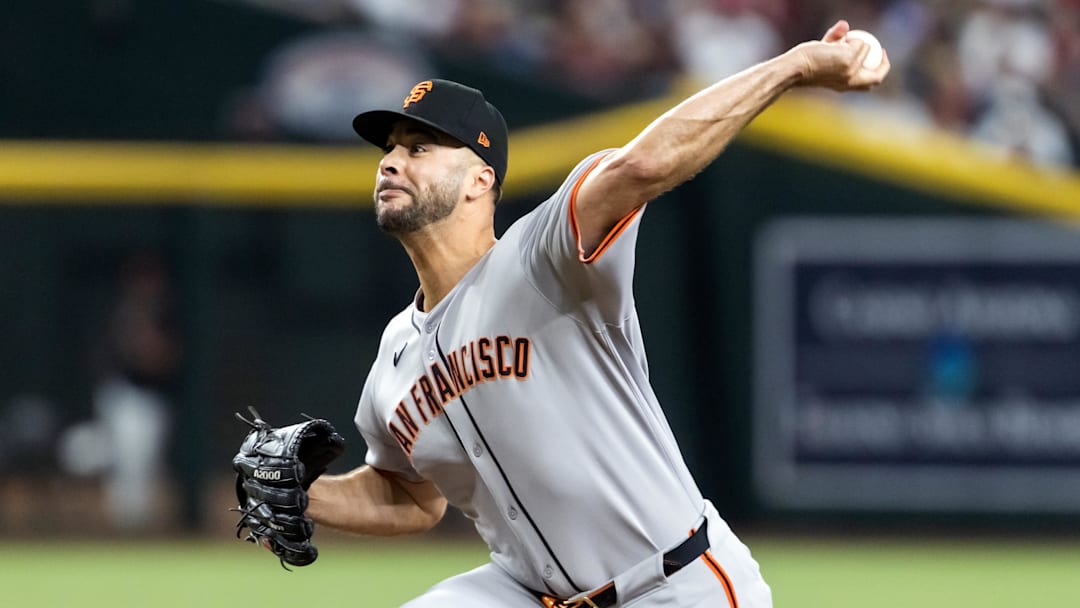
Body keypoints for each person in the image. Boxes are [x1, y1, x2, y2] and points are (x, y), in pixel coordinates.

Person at [307, 20, 889, 608]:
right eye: (389, 150)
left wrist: (795, 66)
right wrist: (302, 495)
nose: (391, 162)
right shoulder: (395, 354)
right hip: (527, 590)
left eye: (419, 147)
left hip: (672, 583)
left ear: (480, 179)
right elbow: (411, 497)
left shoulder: (542, 257)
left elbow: (641, 167)